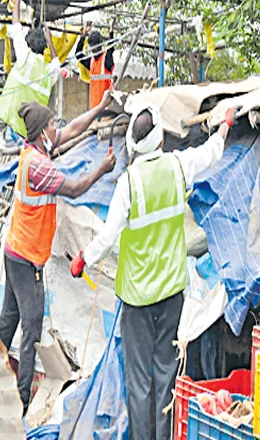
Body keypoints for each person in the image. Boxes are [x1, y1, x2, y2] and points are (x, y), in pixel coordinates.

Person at [69, 103, 233, 440]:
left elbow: (107, 236)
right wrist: (225, 126)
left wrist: (82, 258)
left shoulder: (128, 184)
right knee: (165, 376)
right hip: (172, 293)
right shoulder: (178, 166)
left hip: (137, 299)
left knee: (139, 381)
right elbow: (212, 152)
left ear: (132, 142)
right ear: (159, 138)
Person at [0, 93, 116, 411]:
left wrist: (100, 107)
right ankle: (21, 399)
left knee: (9, 320)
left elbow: (75, 128)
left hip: (16, 249)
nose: (57, 128)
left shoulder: (35, 150)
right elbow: (76, 188)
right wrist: (102, 170)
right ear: (41, 132)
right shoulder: (38, 167)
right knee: (31, 325)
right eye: (52, 124)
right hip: (26, 257)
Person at [0, 17, 60, 139]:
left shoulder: (25, 55)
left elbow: (16, 25)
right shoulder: (49, 72)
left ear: (28, 43)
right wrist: (50, 41)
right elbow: (57, 64)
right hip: (33, 133)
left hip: (12, 127)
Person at [77, 22, 115, 110]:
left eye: (94, 46)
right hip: (93, 109)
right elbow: (78, 55)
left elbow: (111, 48)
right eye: (91, 46)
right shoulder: (91, 61)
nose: (93, 49)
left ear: (100, 45)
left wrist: (111, 31)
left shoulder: (106, 59)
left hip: (106, 109)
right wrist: (84, 35)